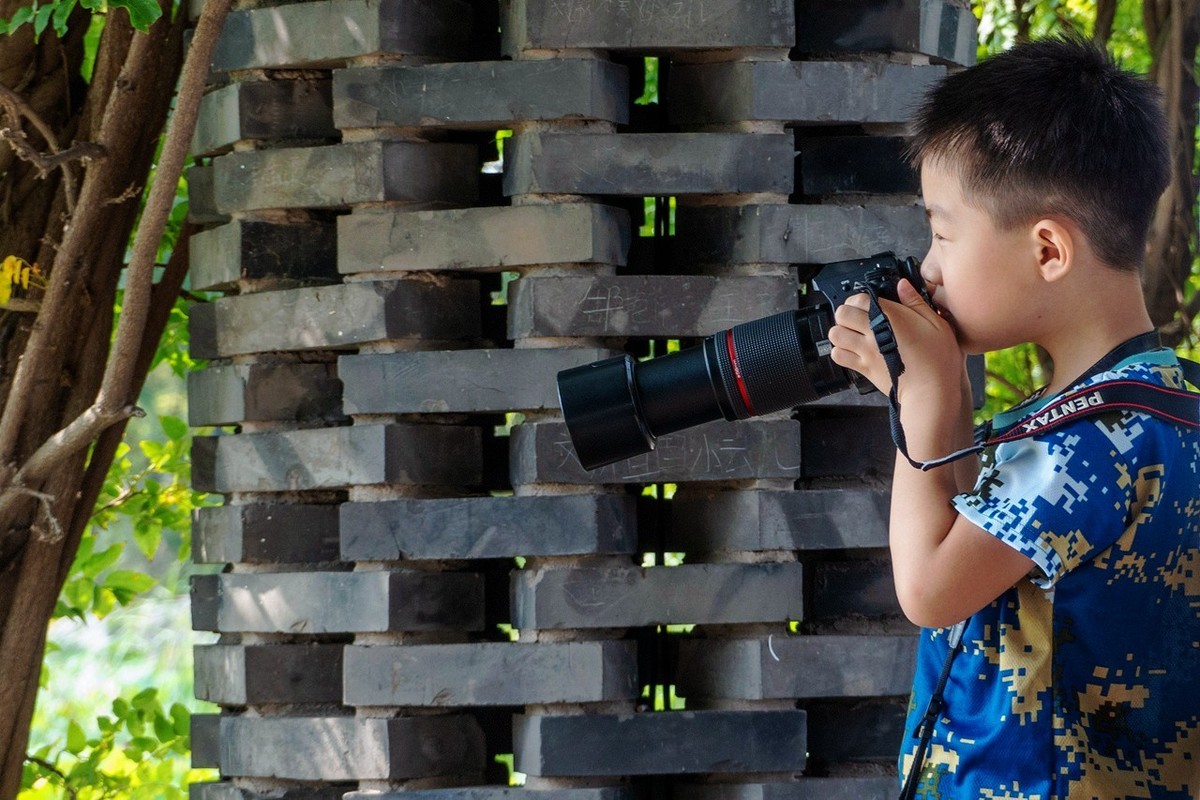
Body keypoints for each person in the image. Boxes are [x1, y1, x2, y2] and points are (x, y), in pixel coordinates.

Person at [827, 36, 1200, 799]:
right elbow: (976, 531)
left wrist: (920, 400)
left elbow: (932, 589)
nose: (927, 269)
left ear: (1048, 249)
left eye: (943, 233)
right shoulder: (1152, 410)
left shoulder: (1087, 444)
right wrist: (949, 397)